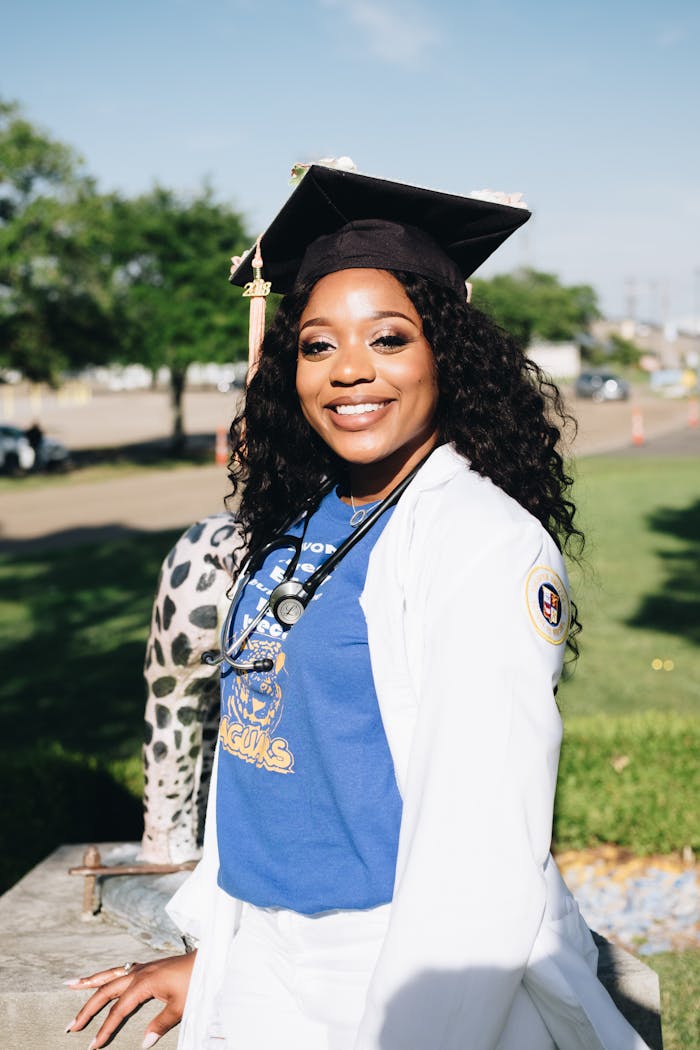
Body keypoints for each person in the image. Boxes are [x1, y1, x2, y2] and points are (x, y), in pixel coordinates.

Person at [65, 165, 651, 1050]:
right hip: (263, 960)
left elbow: (480, 850)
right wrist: (217, 955)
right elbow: (268, 758)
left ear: (443, 355)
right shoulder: (304, 523)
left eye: (388, 339)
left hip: (398, 974)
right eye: (316, 345)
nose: (349, 372)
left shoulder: (482, 543)